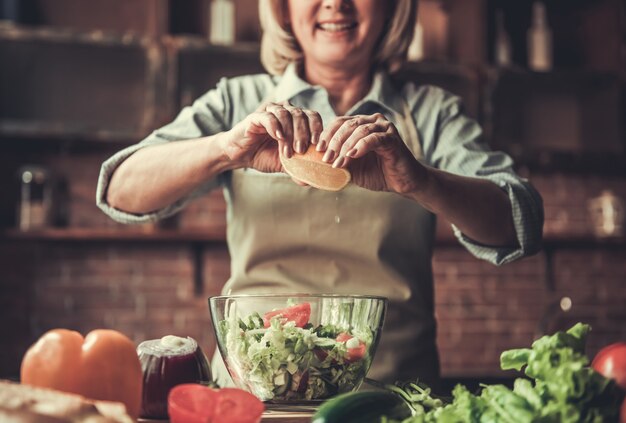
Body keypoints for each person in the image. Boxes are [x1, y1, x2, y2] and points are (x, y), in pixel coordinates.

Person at [97, 0, 543, 388]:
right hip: (251, 393)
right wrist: (225, 149)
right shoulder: (238, 100)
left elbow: (519, 220)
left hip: (393, 396)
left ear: (391, 6)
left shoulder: (432, 112)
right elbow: (120, 188)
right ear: (284, 7)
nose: (337, 3)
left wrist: (419, 181)